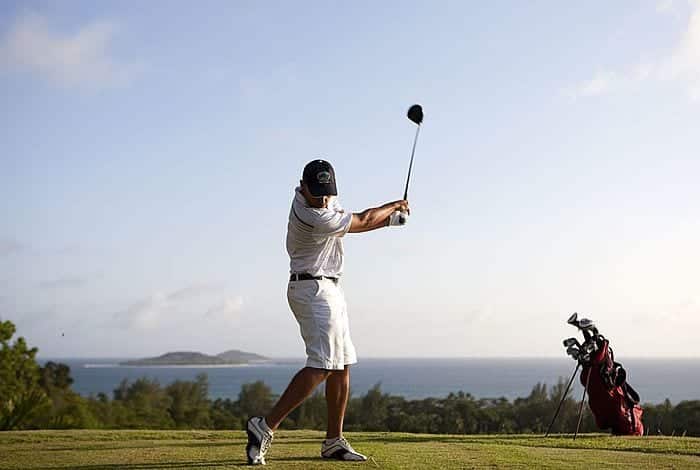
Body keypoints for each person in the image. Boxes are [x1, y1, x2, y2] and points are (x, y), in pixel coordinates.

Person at [245, 159, 410, 465]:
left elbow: (357, 223)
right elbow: (362, 220)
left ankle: (334, 441)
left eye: (327, 192)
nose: (323, 199)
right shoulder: (311, 215)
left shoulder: (324, 201)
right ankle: (264, 426)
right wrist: (393, 207)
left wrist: (390, 220)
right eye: (317, 193)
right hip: (312, 290)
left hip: (329, 289)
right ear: (302, 187)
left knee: (341, 365)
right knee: (322, 365)